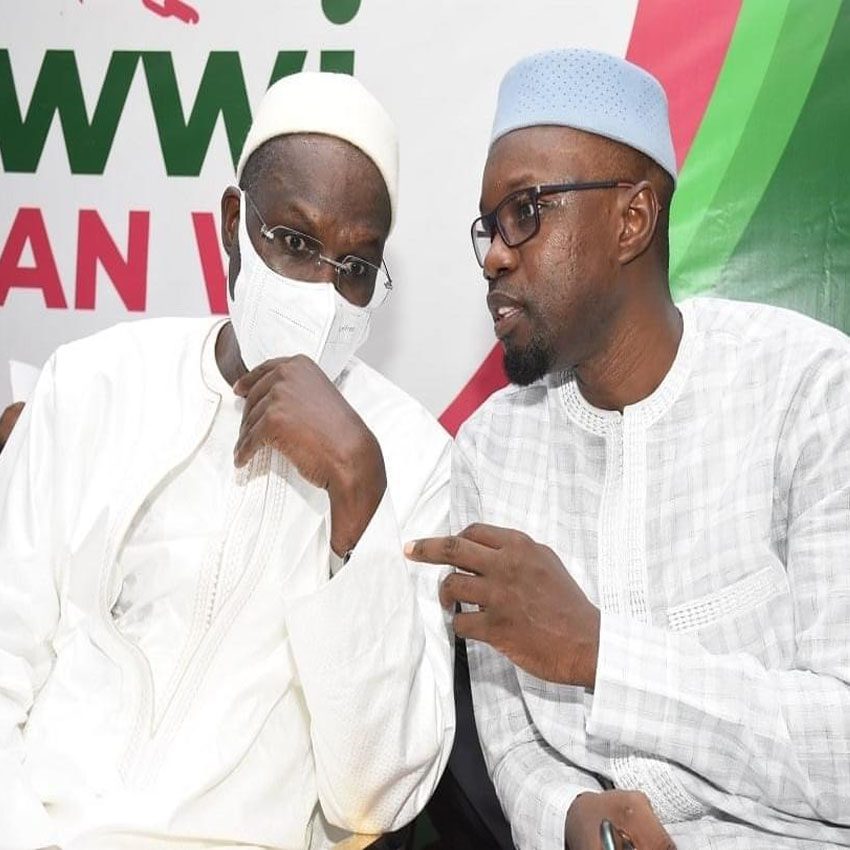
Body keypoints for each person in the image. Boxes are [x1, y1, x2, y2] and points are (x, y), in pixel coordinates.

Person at [406, 48, 850, 849]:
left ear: (632, 220)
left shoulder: (809, 393)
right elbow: (511, 739)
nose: (496, 254)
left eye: (525, 211)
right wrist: (568, 817)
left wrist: (602, 654)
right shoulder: (491, 450)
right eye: (489, 226)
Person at [0, 71, 455, 850]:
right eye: (296, 243)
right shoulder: (96, 383)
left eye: (354, 267)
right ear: (233, 223)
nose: (323, 291)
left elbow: (372, 797)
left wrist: (357, 499)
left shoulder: (411, 458)